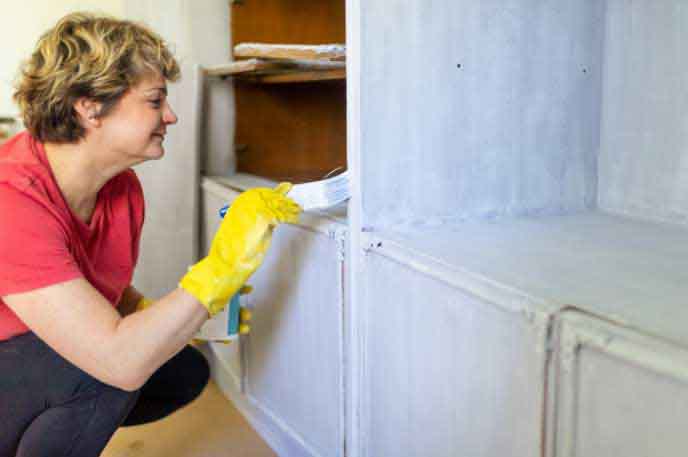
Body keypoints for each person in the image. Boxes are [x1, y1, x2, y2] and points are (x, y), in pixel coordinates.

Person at [0, 12, 300, 457]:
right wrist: (217, 274)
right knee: (110, 371)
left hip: (25, 358)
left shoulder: (121, 189)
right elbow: (118, 358)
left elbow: (104, 289)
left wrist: (160, 313)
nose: (172, 116)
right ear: (89, 106)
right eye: (156, 100)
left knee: (182, 371)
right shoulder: (11, 199)